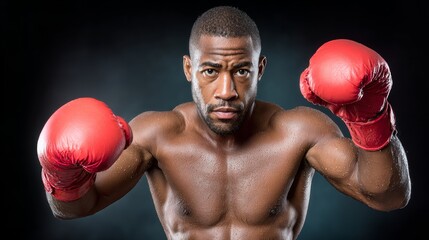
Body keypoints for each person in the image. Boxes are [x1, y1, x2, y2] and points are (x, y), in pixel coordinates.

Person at [37, 5, 411, 240]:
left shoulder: (299, 132)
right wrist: (63, 176)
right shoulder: (156, 135)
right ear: (189, 69)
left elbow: (390, 197)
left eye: (242, 70)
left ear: (260, 69)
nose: (227, 91)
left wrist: (370, 117)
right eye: (210, 71)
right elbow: (75, 208)